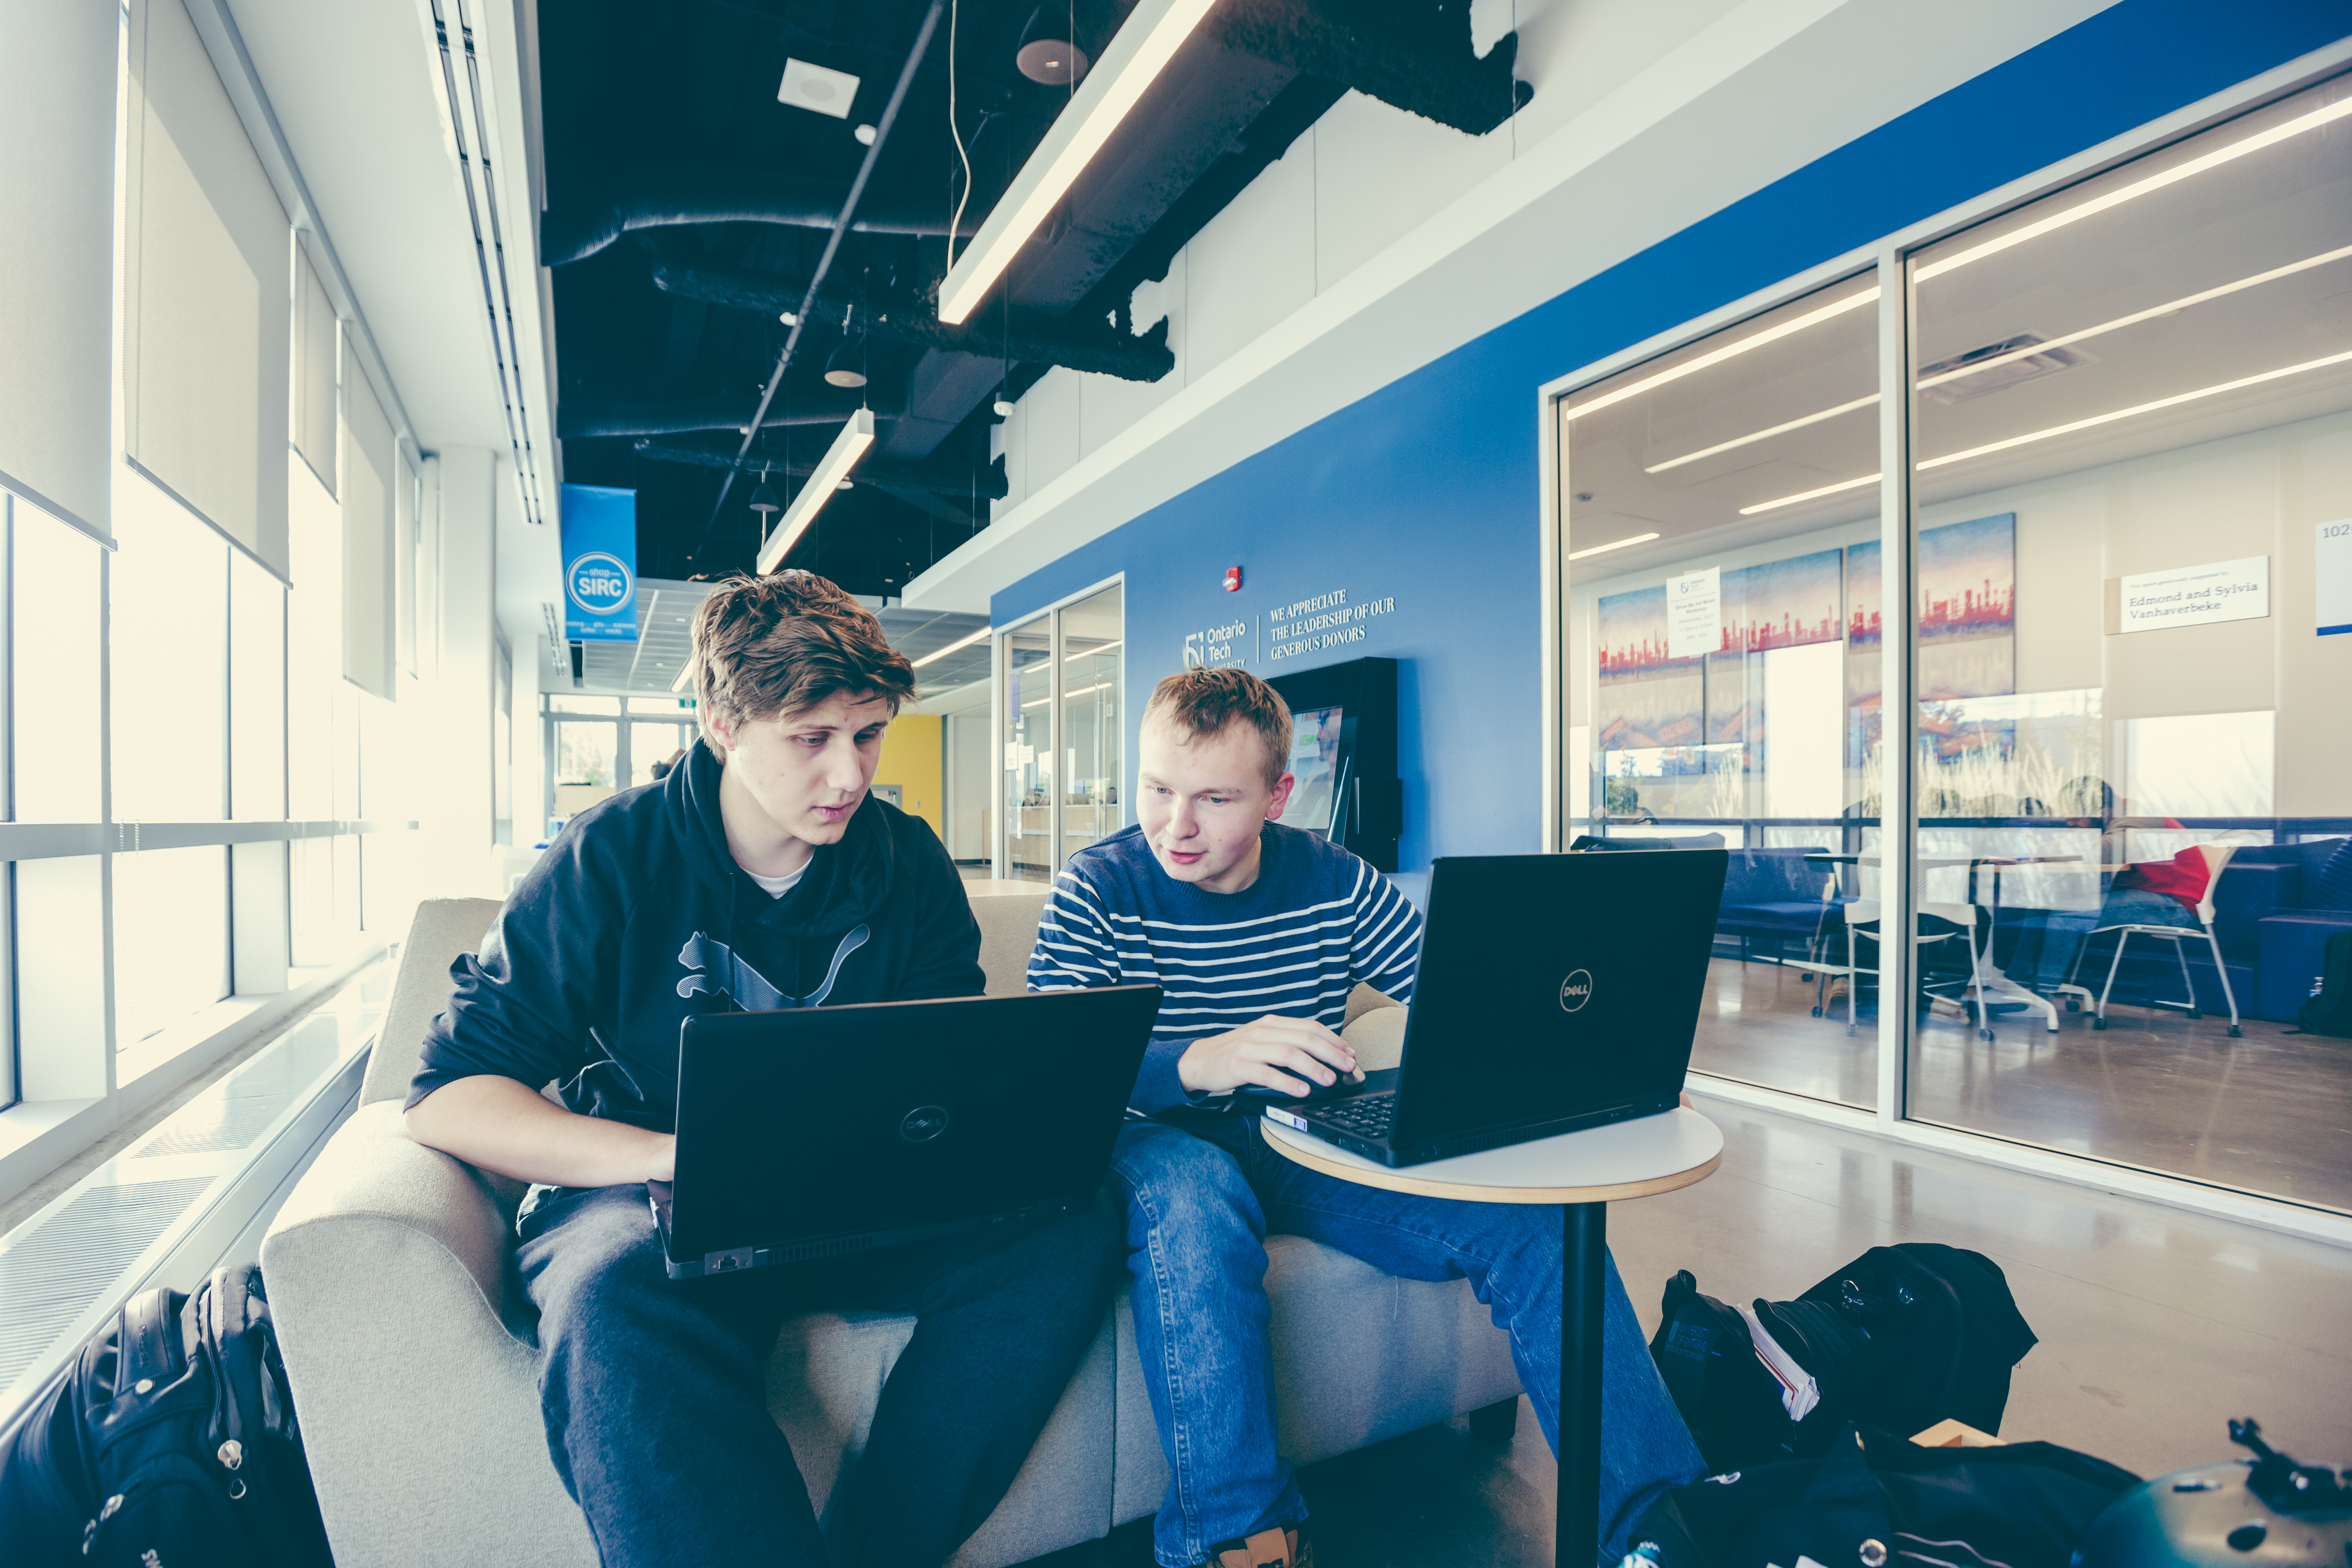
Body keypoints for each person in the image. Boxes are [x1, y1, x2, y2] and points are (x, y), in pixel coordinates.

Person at [405, 570, 1119, 1568]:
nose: (849, 777)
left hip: (858, 1194)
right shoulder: (611, 856)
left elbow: (944, 1076)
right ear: (723, 723)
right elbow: (450, 1096)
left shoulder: (908, 863)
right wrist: (669, 1153)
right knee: (611, 1298)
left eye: (867, 736)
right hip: (658, 1198)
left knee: (1070, 1232)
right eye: (811, 739)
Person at [1029, 668, 1704, 1568]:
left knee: (1541, 1229)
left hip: (1294, 1135)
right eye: (1157, 789)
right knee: (1195, 1201)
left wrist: (1591, 1068)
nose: (1176, 825)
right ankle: (1239, 1540)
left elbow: (1461, 996)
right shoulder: (1096, 888)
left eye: (1214, 798)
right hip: (1151, 1139)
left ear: (1278, 795)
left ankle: (1660, 1525)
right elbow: (1054, 1080)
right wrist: (1199, 1062)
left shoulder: (1333, 878)